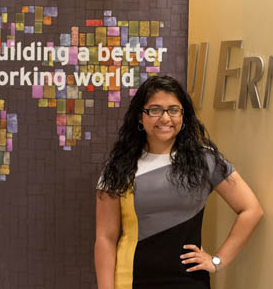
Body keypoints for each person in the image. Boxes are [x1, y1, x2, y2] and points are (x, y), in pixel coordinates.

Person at [94, 75, 263, 289]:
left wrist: (217, 261)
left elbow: (251, 210)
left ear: (183, 115)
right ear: (140, 116)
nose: (165, 118)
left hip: (189, 281)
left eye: (173, 110)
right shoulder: (117, 167)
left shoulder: (205, 160)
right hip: (132, 280)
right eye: (155, 110)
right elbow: (105, 238)